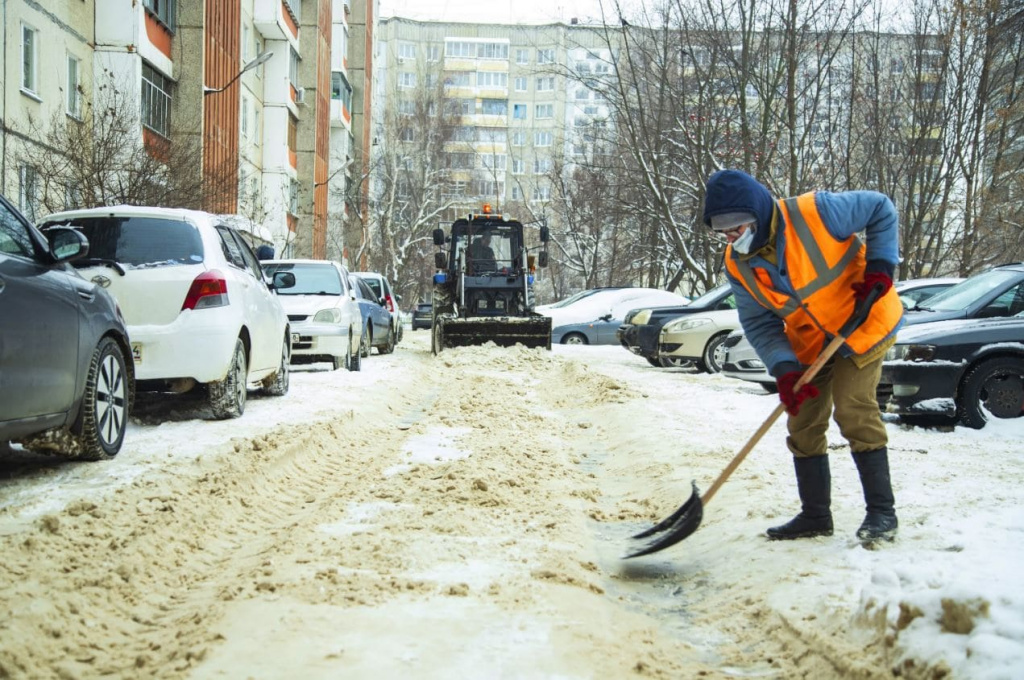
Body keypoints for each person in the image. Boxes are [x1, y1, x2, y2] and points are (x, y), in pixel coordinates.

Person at [703, 169, 903, 543]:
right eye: (724, 234)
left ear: (759, 215)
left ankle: (882, 513)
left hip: (864, 319)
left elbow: (880, 207)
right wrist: (784, 370)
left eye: (738, 229)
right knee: (803, 422)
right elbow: (760, 323)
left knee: (853, 408)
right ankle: (815, 516)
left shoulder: (816, 212)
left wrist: (880, 267)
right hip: (812, 343)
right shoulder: (737, 263)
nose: (732, 239)